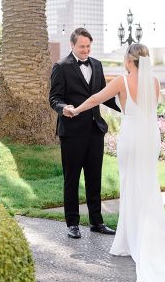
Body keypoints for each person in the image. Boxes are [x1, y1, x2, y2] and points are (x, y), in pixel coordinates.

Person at [71, 44, 165, 282]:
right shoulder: (155, 81)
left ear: (130, 60)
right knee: (148, 185)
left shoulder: (122, 81)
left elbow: (97, 98)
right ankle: (138, 239)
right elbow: (152, 109)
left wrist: (76, 109)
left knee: (130, 184)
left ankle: (131, 242)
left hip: (131, 137)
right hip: (150, 138)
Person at [48, 27, 119, 239]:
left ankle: (97, 222)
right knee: (72, 179)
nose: (86, 50)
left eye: (88, 46)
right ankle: (72, 223)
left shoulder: (96, 65)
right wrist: (63, 109)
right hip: (71, 132)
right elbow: (54, 98)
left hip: (95, 131)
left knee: (94, 177)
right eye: (82, 46)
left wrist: (127, 107)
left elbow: (104, 96)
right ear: (72, 45)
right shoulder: (60, 67)